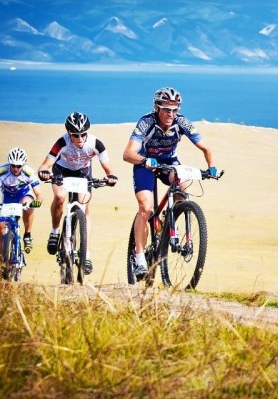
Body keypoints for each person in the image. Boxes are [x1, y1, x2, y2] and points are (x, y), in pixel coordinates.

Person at [123, 87, 218, 279]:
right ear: (157, 108)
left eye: (175, 109)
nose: (171, 114)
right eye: (166, 109)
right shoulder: (146, 122)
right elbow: (128, 154)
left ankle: (170, 221)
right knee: (146, 207)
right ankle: (139, 256)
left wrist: (212, 167)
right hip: (145, 164)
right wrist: (143, 160)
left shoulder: (182, 122)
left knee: (182, 189)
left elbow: (206, 147)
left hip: (169, 161)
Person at [37, 112, 118, 274]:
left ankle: (86, 254)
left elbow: (109, 169)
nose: (80, 139)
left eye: (83, 134)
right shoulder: (61, 142)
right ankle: (54, 232)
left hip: (83, 172)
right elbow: (45, 165)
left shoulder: (96, 144)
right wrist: (44, 172)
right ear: (69, 133)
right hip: (61, 170)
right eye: (76, 135)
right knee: (60, 197)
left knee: (84, 206)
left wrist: (110, 177)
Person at [0, 147, 43, 272]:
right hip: (7, 199)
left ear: (23, 165)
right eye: (13, 165)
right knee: (2, 230)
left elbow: (38, 193)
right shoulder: (1, 171)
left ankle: (27, 234)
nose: (16, 169)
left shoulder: (28, 172)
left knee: (29, 205)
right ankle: (3, 264)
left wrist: (37, 201)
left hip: (23, 196)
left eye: (19, 166)